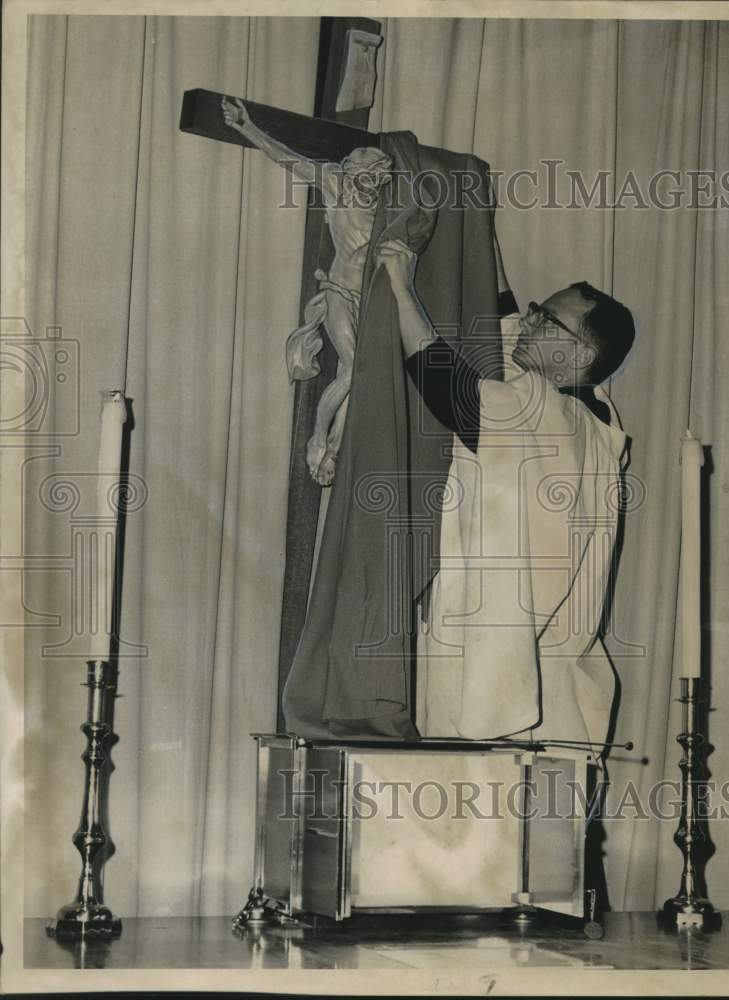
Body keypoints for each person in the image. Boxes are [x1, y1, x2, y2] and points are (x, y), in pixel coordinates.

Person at [375, 237, 635, 749]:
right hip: (554, 689)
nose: (530, 322)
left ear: (579, 353)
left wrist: (402, 289)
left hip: (521, 698)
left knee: (481, 819)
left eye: (546, 321)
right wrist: (479, 216)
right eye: (540, 311)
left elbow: (449, 389)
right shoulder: (593, 413)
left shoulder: (555, 421)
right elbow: (505, 312)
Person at [221, 96, 393, 485]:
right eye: (364, 179)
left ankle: (332, 449)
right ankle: (319, 442)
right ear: (351, 175)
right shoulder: (335, 184)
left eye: (376, 181)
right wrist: (245, 126)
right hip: (336, 291)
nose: (370, 188)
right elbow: (287, 159)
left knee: (359, 375)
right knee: (351, 370)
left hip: (365, 300)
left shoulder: (385, 205)